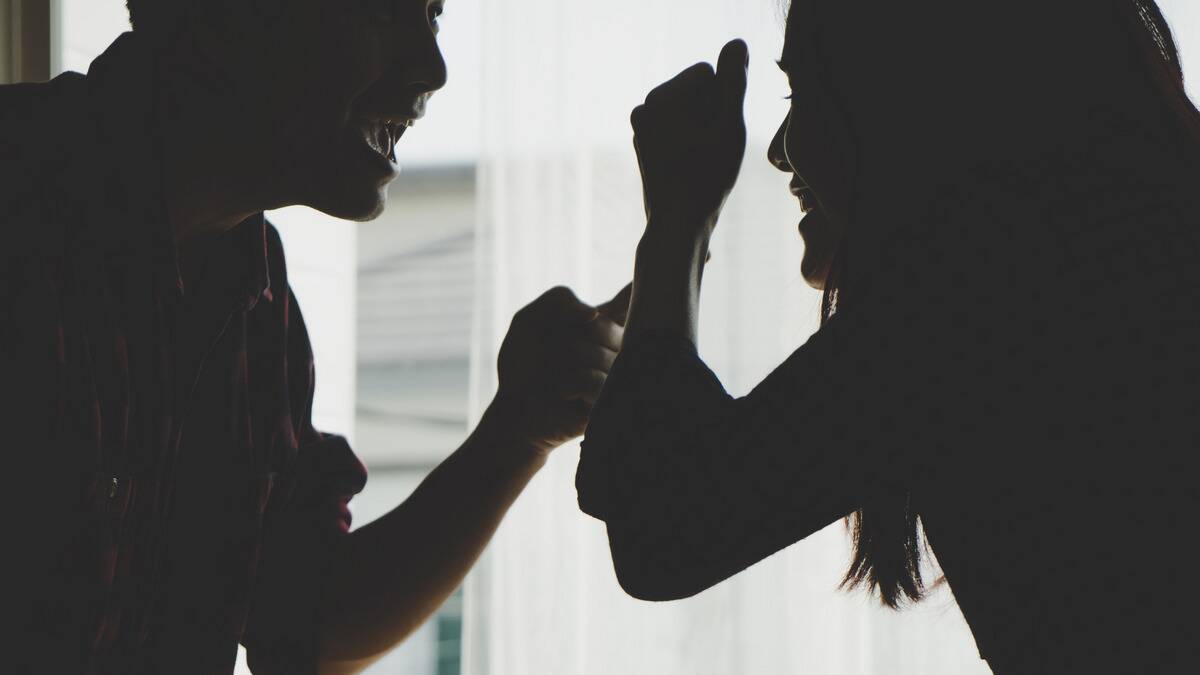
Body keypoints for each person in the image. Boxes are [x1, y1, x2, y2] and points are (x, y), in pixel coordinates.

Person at [0, 0, 628, 673]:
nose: (433, 68)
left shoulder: (253, 296)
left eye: (433, 16)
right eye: (385, 12)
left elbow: (304, 620)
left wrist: (519, 430)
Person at [576, 1, 1200, 672]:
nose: (779, 148)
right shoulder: (1096, 251)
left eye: (807, 92)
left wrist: (677, 221)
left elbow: (660, 530)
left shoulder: (982, 291)